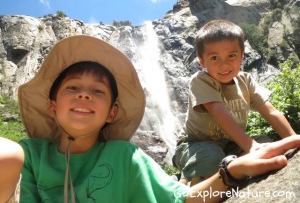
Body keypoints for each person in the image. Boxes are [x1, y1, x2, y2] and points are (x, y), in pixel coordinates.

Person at [1, 35, 299, 203]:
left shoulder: (125, 157)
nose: (84, 96)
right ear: (52, 106)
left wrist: (230, 174)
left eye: (97, 91)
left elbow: (182, 200)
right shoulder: (27, 155)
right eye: (73, 88)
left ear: (112, 113)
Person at [172, 19, 296, 186]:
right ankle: (188, 184)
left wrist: (294, 141)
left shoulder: (245, 80)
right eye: (214, 58)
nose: (224, 64)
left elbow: (271, 112)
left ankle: (231, 169)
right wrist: (250, 145)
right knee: (210, 156)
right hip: (194, 145)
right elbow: (218, 111)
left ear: (242, 55)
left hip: (230, 145)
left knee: (267, 143)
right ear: (202, 62)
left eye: (231, 55)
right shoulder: (201, 80)